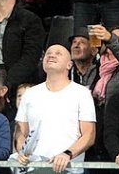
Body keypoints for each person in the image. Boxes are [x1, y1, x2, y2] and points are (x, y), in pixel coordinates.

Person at [14, 44, 96, 172]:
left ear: (69, 65)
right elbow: (21, 131)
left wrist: (67, 154)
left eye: (58, 53)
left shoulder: (81, 93)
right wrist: (22, 150)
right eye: (48, 53)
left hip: (68, 169)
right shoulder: (30, 94)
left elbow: (89, 135)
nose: (51, 55)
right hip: (33, 168)